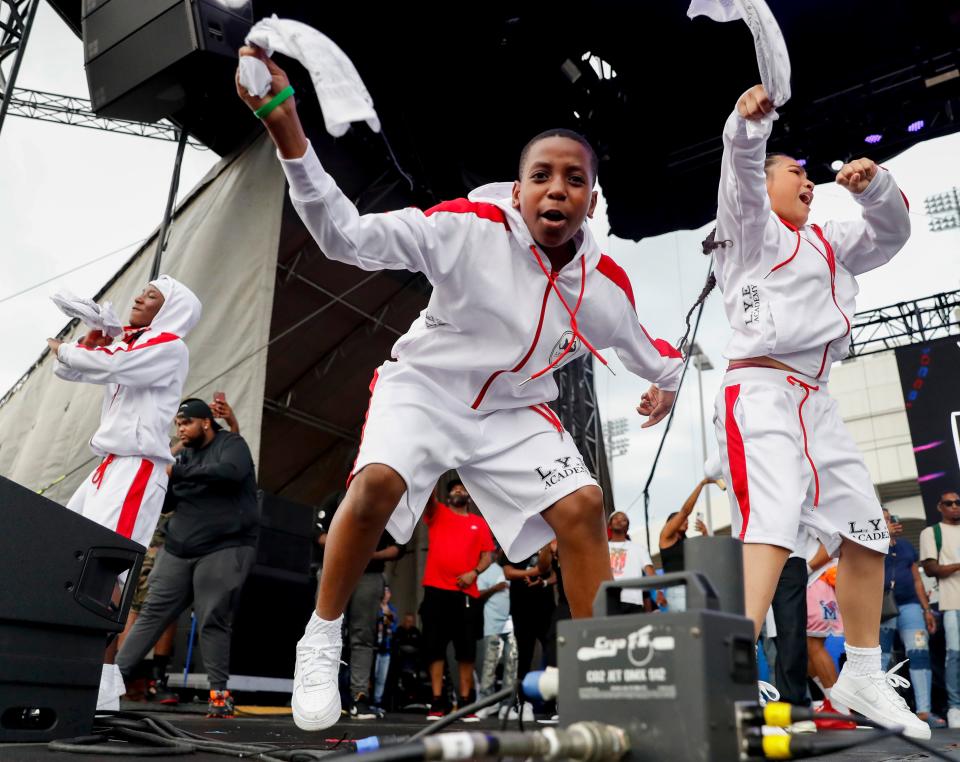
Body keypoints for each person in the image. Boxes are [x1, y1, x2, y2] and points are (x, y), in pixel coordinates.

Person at [234, 47, 683, 731]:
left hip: (513, 410)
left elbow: (653, 353)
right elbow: (343, 236)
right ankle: (321, 636)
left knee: (585, 505)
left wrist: (670, 388)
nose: (556, 188)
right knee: (378, 485)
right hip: (427, 386)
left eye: (573, 178)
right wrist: (287, 128)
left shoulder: (605, 288)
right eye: (541, 176)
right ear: (517, 190)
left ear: (593, 198)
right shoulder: (464, 230)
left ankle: (605, 677)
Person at [705, 82, 923, 737]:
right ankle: (728, 678)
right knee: (770, 526)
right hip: (761, 391)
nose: (807, 180)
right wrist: (746, 132)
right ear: (766, 186)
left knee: (865, 531)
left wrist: (873, 186)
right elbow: (741, 174)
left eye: (809, 174)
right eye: (794, 172)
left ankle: (858, 673)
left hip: (816, 399)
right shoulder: (748, 231)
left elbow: (893, 234)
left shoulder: (828, 239)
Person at [48, 275, 201, 711]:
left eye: (152, 295)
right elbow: (73, 369)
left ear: (169, 309)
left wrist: (71, 347)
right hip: (108, 467)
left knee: (105, 571)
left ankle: (100, 687)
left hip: (136, 467)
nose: (139, 297)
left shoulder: (169, 346)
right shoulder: (137, 346)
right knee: (71, 559)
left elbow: (105, 365)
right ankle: (88, 676)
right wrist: (90, 339)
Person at [115, 398, 259, 719]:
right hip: (179, 547)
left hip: (225, 546)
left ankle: (219, 694)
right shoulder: (181, 455)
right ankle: (111, 683)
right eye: (178, 424)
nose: (180, 429)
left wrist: (179, 469)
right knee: (152, 612)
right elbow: (167, 503)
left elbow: (231, 473)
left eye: (186, 423)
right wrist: (161, 475)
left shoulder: (230, 444)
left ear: (205, 422)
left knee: (212, 617)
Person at [419, 479, 495, 720]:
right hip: (436, 590)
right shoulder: (437, 512)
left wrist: (474, 572)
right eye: (453, 489)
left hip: (466, 593)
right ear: (448, 496)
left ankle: (465, 703)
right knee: (435, 648)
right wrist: (430, 471)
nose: (458, 491)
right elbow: (428, 498)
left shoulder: (479, 523)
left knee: (466, 651)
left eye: (462, 489)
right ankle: (437, 702)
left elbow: (487, 557)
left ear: (469, 497)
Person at [881, 509, 941, 728]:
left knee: (919, 653)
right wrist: (884, 538)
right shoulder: (873, 544)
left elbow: (917, 579)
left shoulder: (905, 546)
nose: (891, 523)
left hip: (910, 605)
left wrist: (926, 610)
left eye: (891, 519)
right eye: (885, 520)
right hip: (883, 607)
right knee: (881, 658)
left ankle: (924, 711)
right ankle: (884, 712)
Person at [920, 491, 960, 728]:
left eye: (958, 502)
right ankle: (955, 706)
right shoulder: (931, 533)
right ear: (940, 507)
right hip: (951, 602)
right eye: (949, 503)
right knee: (954, 655)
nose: (954, 506)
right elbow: (931, 568)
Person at [475, 548, 518, 718]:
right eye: (498, 550)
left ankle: (507, 704)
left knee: (511, 663)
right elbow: (477, 594)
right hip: (493, 623)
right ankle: (487, 701)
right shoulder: (488, 571)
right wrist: (496, 587)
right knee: (490, 664)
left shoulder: (512, 570)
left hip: (511, 623)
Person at [658, 479, 712, 610]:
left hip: (695, 587)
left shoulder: (687, 543)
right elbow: (685, 511)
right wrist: (702, 484)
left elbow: (708, 556)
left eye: (687, 521)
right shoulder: (666, 537)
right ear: (670, 523)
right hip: (677, 590)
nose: (685, 522)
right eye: (681, 520)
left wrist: (705, 533)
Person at [607, 511, 656, 613]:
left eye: (623, 520)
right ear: (609, 525)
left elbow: (651, 573)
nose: (619, 521)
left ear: (628, 527)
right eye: (616, 518)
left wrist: (659, 591)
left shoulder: (639, 549)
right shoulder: (601, 549)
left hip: (633, 601)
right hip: (608, 600)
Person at [372, 586, 398, 712]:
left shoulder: (392, 609)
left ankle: (377, 702)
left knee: (381, 678)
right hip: (374, 647)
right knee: (373, 675)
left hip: (386, 647)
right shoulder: (375, 607)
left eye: (388, 591)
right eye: (384, 591)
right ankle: (368, 701)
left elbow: (393, 627)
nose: (385, 594)